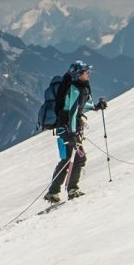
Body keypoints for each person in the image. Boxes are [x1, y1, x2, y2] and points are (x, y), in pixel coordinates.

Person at [44, 60, 106, 204]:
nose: (88, 74)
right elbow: (72, 113)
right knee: (78, 158)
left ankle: (54, 192)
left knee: (68, 160)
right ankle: (70, 190)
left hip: (65, 129)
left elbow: (80, 106)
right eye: (86, 72)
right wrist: (72, 134)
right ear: (79, 74)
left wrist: (96, 106)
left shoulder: (79, 87)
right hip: (68, 130)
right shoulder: (75, 89)